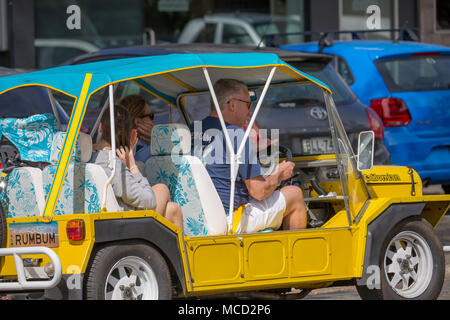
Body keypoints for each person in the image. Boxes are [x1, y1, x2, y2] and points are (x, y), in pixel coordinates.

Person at [190, 79, 307, 233]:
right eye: (247, 104)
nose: (249, 112)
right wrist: (279, 173)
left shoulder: (192, 130)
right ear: (232, 104)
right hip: (229, 219)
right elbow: (259, 192)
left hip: (195, 216)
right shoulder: (236, 135)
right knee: (295, 194)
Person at [91, 104, 183, 229]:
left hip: (100, 219)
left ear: (100, 127)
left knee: (173, 209)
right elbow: (149, 200)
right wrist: (132, 163)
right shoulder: (112, 163)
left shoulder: (87, 157)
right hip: (125, 225)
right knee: (162, 188)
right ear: (130, 133)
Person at [119, 94, 154, 163]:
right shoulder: (150, 152)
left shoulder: (115, 145)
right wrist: (158, 140)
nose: (153, 120)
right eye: (151, 116)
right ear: (137, 122)